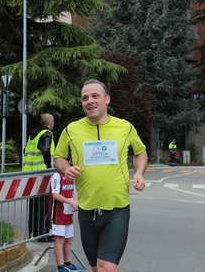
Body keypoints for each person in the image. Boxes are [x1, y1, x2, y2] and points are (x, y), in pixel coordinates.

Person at [54, 79, 148, 272]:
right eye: (85, 98)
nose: (90, 101)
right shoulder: (71, 130)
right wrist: (65, 169)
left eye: (95, 96)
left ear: (107, 99)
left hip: (117, 209)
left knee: (107, 267)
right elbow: (59, 157)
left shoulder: (125, 127)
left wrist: (139, 172)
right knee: (96, 268)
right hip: (87, 209)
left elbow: (140, 152)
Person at [22, 113, 55, 242]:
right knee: (44, 205)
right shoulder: (47, 134)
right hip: (42, 175)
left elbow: (26, 151)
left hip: (31, 174)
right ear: (50, 122)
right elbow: (46, 150)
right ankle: (44, 234)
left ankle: (34, 232)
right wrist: (48, 167)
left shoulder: (33, 135)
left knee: (34, 205)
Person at [49, 170, 82, 272]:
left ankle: (67, 263)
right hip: (58, 213)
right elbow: (55, 194)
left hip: (68, 212)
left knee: (69, 238)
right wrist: (70, 202)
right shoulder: (57, 175)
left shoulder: (70, 175)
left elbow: (72, 192)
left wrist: (75, 201)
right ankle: (60, 267)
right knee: (60, 239)